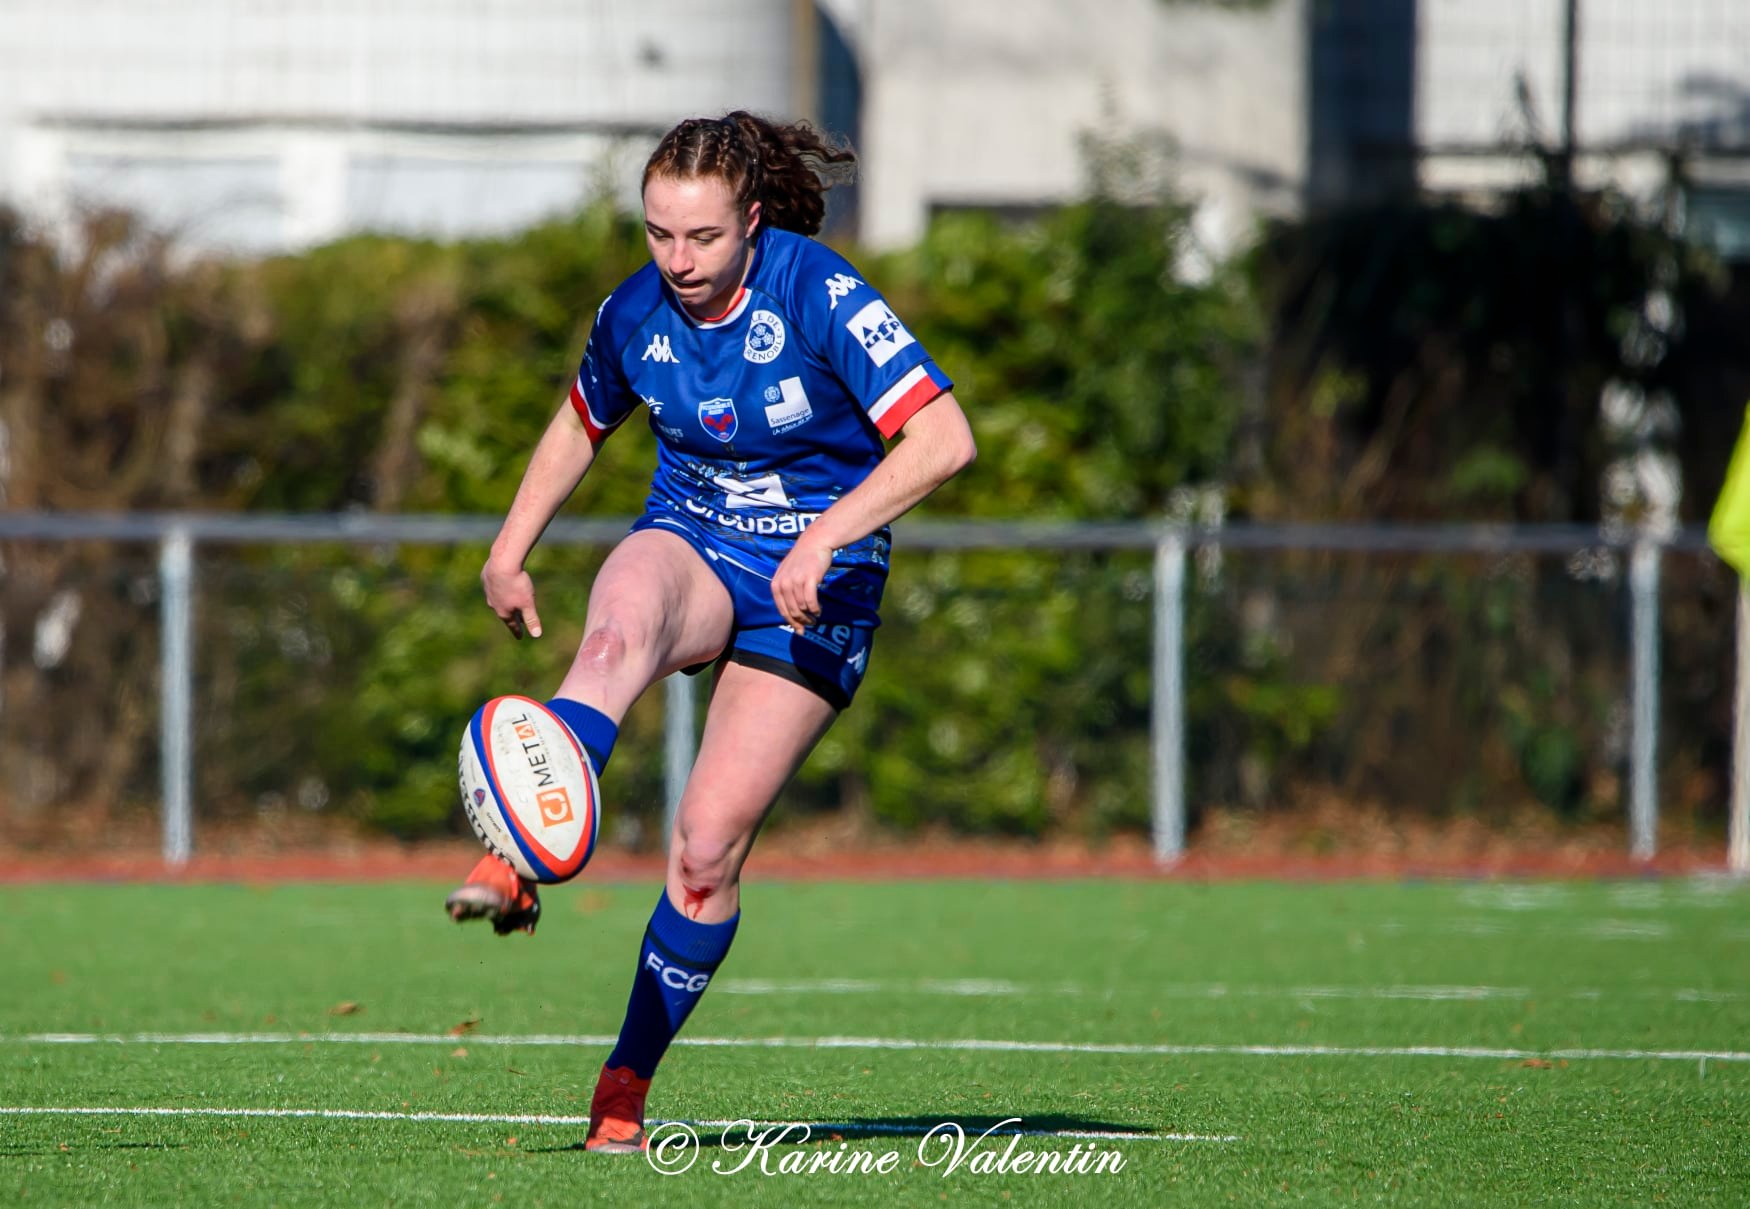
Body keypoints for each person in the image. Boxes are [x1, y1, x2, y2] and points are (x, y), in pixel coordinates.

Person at [441, 111, 976, 1153]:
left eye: (702, 239)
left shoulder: (818, 292)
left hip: (818, 583)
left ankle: (624, 1084)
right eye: (657, 234)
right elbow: (578, 422)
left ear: (753, 222)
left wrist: (824, 538)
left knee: (703, 854)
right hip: (693, 538)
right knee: (615, 627)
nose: (677, 261)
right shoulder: (634, 310)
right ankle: (521, 851)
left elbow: (944, 439)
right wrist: (508, 549)